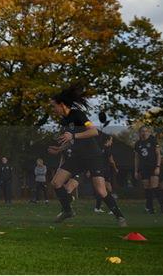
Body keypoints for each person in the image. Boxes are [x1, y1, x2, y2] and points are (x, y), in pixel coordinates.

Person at [48, 85, 127, 226]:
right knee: (56, 182)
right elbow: (71, 140)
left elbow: (93, 131)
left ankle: (120, 217)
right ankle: (68, 211)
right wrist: (60, 149)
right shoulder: (64, 120)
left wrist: (73, 135)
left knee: (101, 191)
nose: (53, 109)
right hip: (78, 157)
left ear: (61, 104)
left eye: (54, 106)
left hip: (92, 155)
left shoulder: (77, 114)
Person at [134, 126, 163, 214]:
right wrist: (136, 170)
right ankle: (150, 208)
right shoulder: (138, 143)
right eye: (142, 131)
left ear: (149, 132)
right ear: (139, 133)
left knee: (154, 187)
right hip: (143, 168)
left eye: (146, 131)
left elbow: (158, 154)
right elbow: (136, 158)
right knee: (147, 188)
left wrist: (158, 166)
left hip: (153, 167)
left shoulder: (152, 140)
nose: (144, 133)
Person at [94, 134, 118, 213]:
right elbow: (111, 161)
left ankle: (97, 207)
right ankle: (112, 207)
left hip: (98, 170)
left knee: (100, 189)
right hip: (105, 171)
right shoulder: (108, 149)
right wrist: (115, 168)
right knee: (109, 188)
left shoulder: (99, 148)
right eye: (111, 140)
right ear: (108, 140)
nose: (112, 142)